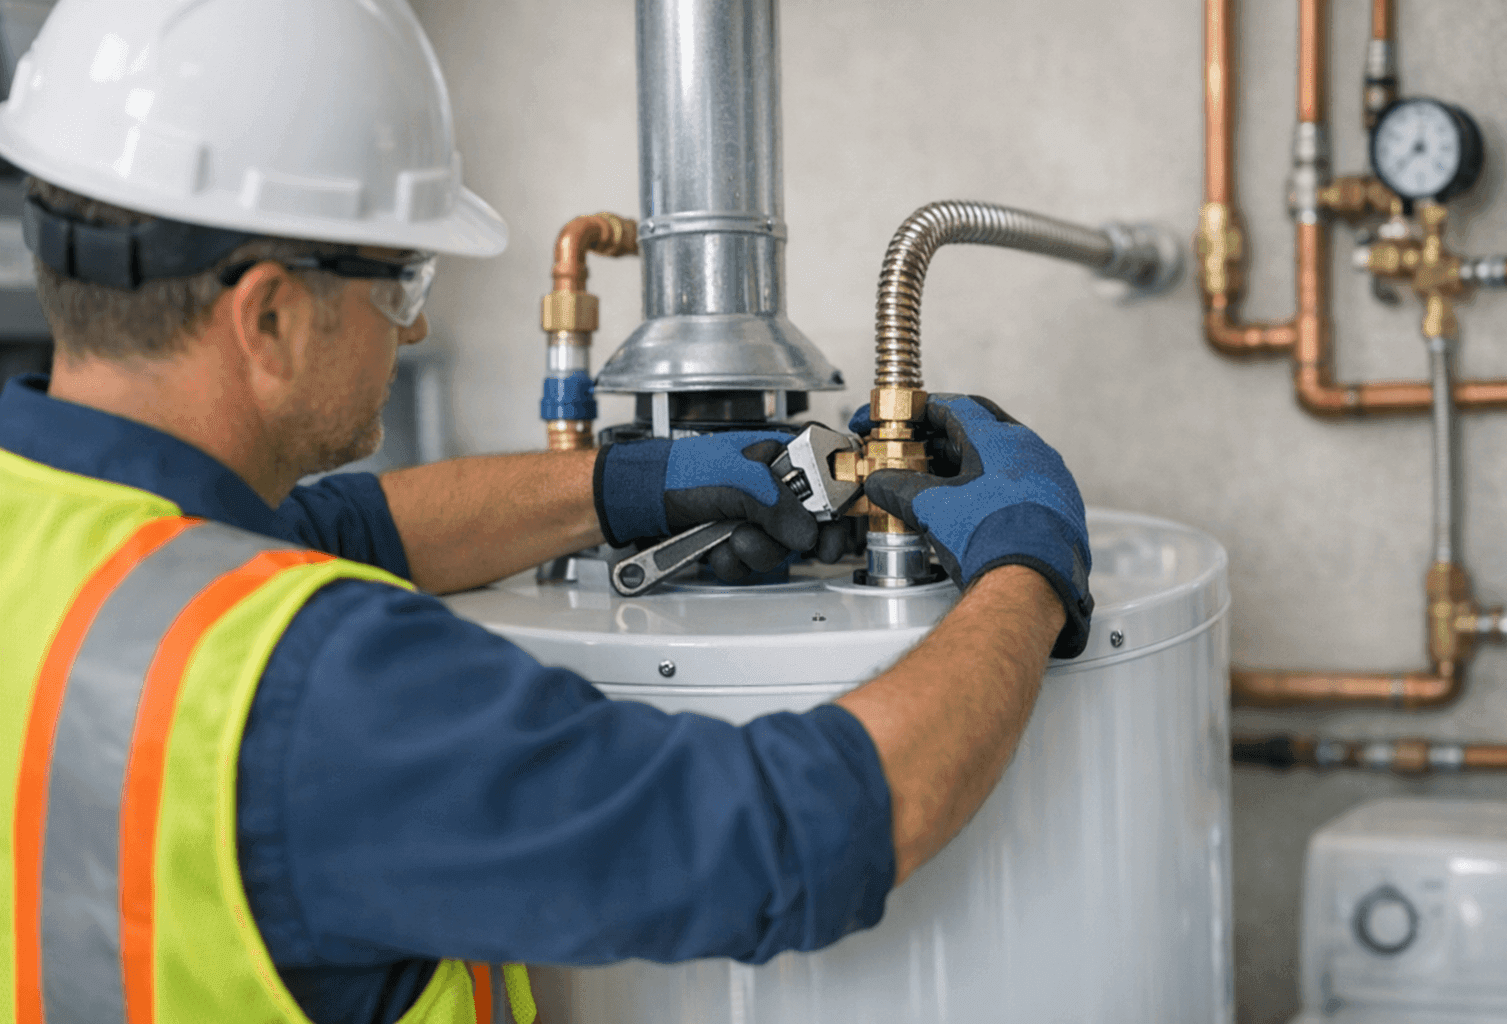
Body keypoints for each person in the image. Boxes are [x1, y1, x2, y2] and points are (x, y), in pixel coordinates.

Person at [0, 2, 1094, 1024]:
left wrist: (635, 484)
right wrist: (1029, 568)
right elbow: (791, 838)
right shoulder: (310, 684)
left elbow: (353, 528)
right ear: (271, 317)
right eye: (403, 285)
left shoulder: (63, 530)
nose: (413, 332)